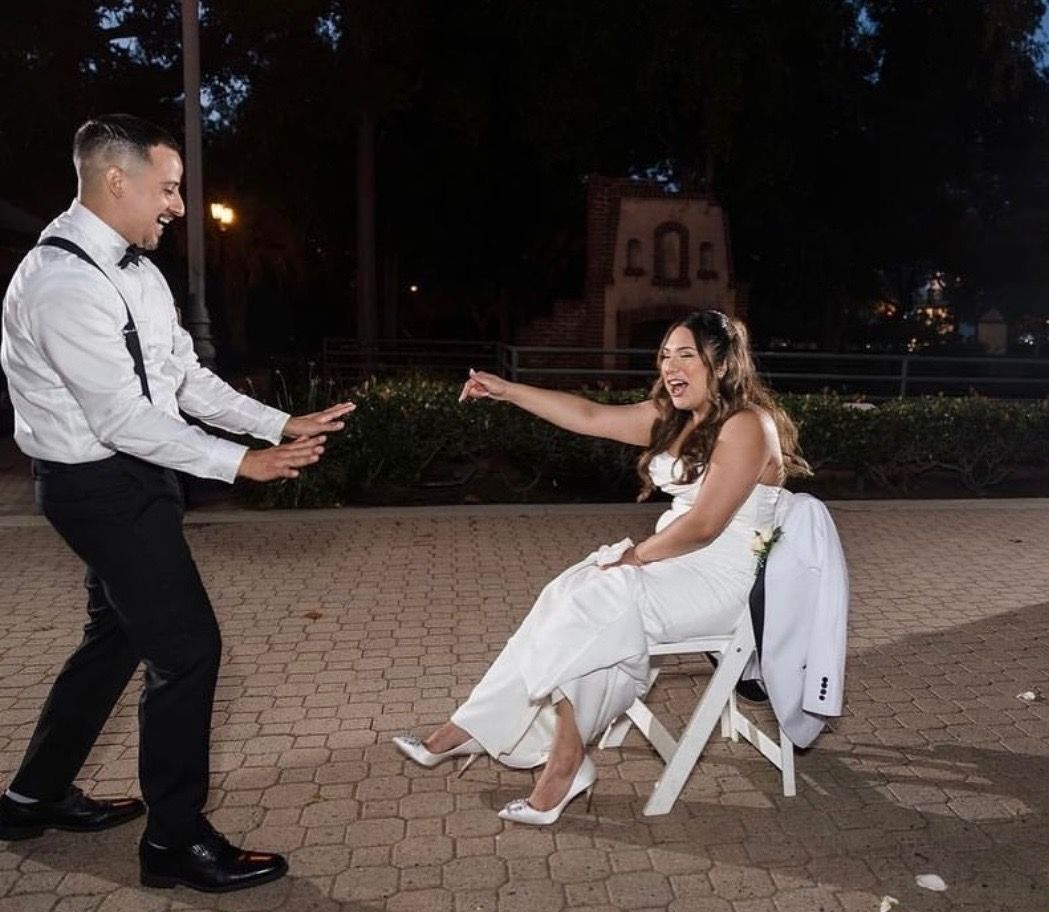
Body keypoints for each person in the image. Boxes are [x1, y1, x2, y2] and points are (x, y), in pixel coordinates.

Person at [0, 114, 354, 892]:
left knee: (117, 636)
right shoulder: (61, 282)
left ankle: (33, 796)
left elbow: (184, 380)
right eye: (168, 188)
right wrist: (242, 465)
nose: (179, 206)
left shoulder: (138, 271)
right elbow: (121, 419)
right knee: (186, 649)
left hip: (135, 477)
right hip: (99, 486)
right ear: (114, 180)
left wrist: (277, 422)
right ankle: (173, 844)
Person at [393, 309, 810, 824]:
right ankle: (494, 737)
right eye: (664, 356)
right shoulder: (677, 417)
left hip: (718, 578)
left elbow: (705, 526)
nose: (669, 366)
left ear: (721, 365)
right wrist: (509, 391)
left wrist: (634, 556)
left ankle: (542, 757)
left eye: (686, 355)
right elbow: (590, 416)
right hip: (675, 561)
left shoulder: (748, 424)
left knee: (599, 600)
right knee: (569, 593)